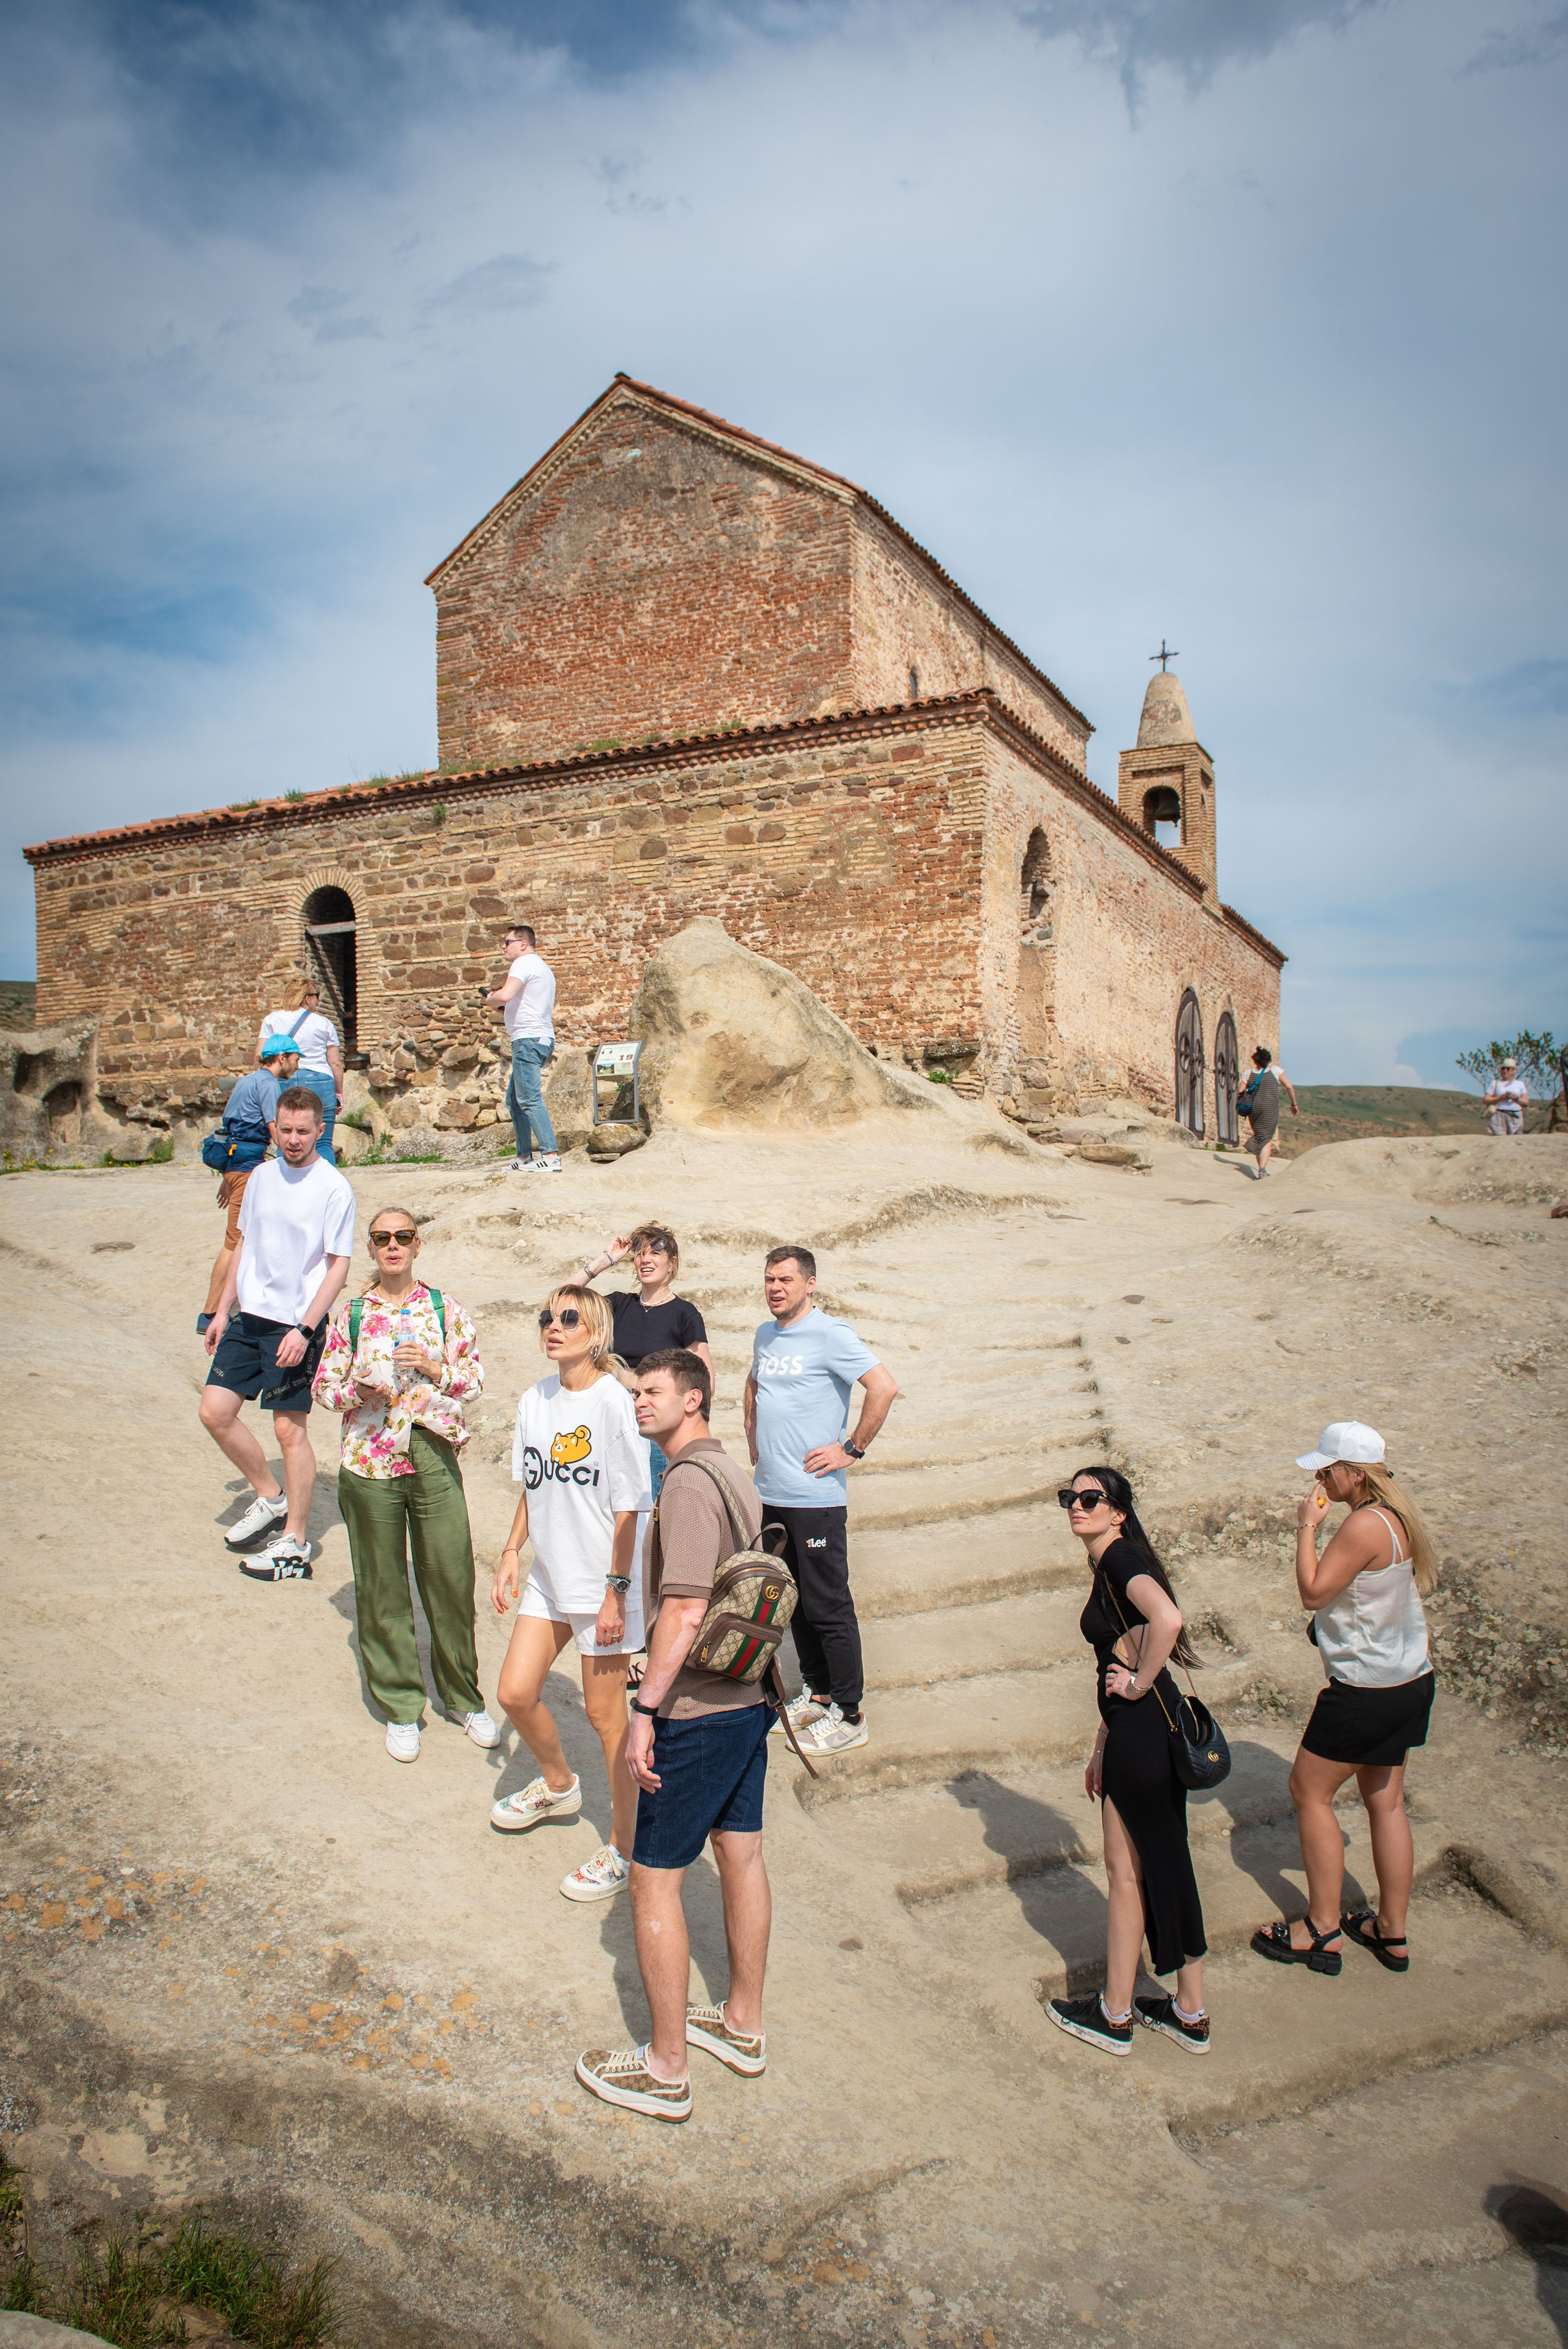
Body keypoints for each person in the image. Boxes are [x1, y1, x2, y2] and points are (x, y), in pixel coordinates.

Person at [576, 1348, 774, 2121]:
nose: (638, 1403)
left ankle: (665, 2069)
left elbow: (686, 1611)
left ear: (694, 1399)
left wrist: (646, 1710)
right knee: (741, 1853)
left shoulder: (688, 1483)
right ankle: (742, 2024)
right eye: (635, 1393)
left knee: (653, 1877)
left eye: (652, 1392)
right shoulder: (732, 1473)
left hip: (696, 1709)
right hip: (749, 1698)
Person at [312, 1205, 500, 1765]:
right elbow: (325, 1386)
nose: (393, 1245)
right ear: (371, 1248)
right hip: (368, 1457)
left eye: (403, 1237)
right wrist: (357, 1393)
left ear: (418, 1245)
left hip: (431, 1447)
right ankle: (400, 1704)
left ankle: (463, 1697)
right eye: (381, 1238)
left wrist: (436, 1366)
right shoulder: (351, 1313)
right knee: (382, 1583)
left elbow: (474, 1381)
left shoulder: (443, 1308)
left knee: (448, 1571)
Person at [1251, 1422, 1437, 1979]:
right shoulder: (1397, 1517)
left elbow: (1314, 1591)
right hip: (1410, 1681)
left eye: (1327, 1469)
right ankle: (1392, 1930)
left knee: (1309, 1790)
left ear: (1354, 1474)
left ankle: (1322, 1927)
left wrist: (1307, 1527)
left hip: (1364, 1690)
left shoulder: (1360, 1525)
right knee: (1386, 1801)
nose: (1319, 1476)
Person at [489, 1284, 650, 1899]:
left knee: (607, 1718)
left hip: (604, 1582)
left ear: (596, 1332)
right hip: (551, 1576)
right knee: (514, 1691)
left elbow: (632, 1505)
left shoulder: (615, 1403)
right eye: (546, 1318)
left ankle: (626, 1849)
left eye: (568, 1318)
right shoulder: (536, 1399)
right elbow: (533, 1486)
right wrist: (510, 1553)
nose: (553, 1327)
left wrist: (615, 1592)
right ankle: (559, 1784)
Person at [1046, 1468, 1208, 2058]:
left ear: (1117, 1511)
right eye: (1070, 1498)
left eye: (1090, 1499)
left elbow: (1166, 1621)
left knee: (1127, 1874)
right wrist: (1102, 1740)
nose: (1076, 1506)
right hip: (1138, 1729)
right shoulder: (1117, 1557)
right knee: (1164, 1862)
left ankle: (1115, 2013)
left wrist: (1136, 1686)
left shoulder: (1117, 1557)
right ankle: (1188, 2009)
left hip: (1143, 1728)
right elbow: (1133, 1640)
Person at [744, 1245, 899, 1757]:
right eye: (769, 1279)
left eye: (785, 1279)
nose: (775, 1288)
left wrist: (852, 1447)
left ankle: (851, 1714)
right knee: (793, 1602)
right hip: (772, 1492)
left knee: (829, 1605)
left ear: (810, 1283)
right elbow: (755, 1382)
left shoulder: (832, 1334)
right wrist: (752, 1438)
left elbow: (883, 1386)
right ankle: (820, 1691)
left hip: (816, 1497)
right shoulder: (766, 1334)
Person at [199, 1087, 355, 1579]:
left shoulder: (334, 1187)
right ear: (274, 1128)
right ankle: (269, 1495)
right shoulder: (262, 1177)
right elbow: (243, 1243)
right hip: (250, 1316)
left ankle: (295, 1539)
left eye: (303, 1131)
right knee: (215, 1411)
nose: (293, 1139)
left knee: (289, 1429)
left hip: (295, 1324)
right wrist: (223, 1309)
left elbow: (338, 1267)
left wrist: (306, 1329)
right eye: (285, 1130)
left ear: (319, 1130)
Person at [578, 1224, 714, 1496]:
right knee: (608, 1502)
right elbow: (561, 1303)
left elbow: (705, 1384)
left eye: (655, 1253)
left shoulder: (684, 1314)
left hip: (653, 1427)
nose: (645, 1260)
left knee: (653, 1505)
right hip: (611, 1418)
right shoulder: (618, 1304)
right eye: (639, 1253)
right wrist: (605, 1260)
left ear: (672, 1263)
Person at [198, 1035, 301, 1333]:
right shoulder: (268, 1084)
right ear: (281, 1057)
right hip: (245, 1170)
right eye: (295, 1058)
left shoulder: (245, 1082)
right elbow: (275, 1127)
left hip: (237, 1168)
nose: (297, 1065)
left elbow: (230, 1130)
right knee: (236, 1241)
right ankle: (211, 1313)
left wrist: (227, 1177)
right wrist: (297, 1160)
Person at [484, 922, 560, 1175]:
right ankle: (525, 1157)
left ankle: (550, 1156)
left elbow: (504, 996)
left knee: (528, 1098)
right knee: (514, 1101)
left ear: (523, 944)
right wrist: (503, 1007)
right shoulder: (542, 968)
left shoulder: (524, 963)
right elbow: (519, 1004)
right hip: (535, 1038)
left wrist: (491, 999)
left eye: (508, 943)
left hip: (528, 1040)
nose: (504, 947)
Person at [257, 982, 344, 1166]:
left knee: (286, 1139)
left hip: (282, 1079)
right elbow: (335, 1062)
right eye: (316, 997)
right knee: (323, 1142)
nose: (317, 1002)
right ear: (308, 998)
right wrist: (339, 1093)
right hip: (320, 1079)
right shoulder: (324, 1023)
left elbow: (261, 1054)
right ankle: (325, 1187)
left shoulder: (271, 1020)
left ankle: (287, 1186)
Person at [1239, 1045, 1298, 1178]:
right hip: (1270, 1109)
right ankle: (1262, 1170)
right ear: (1268, 1060)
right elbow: (1289, 1087)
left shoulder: (1248, 1073)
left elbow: (1240, 1092)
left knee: (1260, 1136)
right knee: (1266, 1138)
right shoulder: (1275, 1070)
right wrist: (1294, 1104)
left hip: (1253, 1109)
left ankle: (1261, 1169)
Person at [1483, 1057, 1529, 1136]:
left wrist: (1516, 1098)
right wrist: (1500, 1098)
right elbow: (1486, 1100)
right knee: (1498, 1140)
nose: (1505, 1071)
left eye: (1508, 1069)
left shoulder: (1520, 1084)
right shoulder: (1495, 1083)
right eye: (1503, 1068)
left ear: (1514, 1070)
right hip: (1499, 1115)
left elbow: (1526, 1102)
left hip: (1516, 1115)